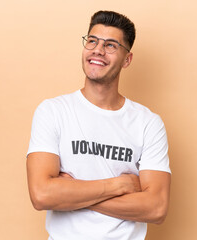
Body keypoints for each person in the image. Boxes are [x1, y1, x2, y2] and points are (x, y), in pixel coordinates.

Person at [26, 10, 171, 240]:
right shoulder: (53, 111)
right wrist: (120, 185)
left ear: (127, 59)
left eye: (111, 45)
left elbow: (156, 208)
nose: (98, 50)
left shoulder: (148, 123)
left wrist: (72, 193)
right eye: (92, 41)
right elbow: (42, 195)